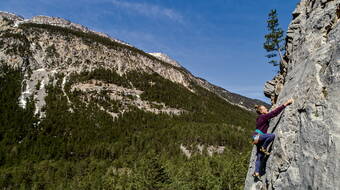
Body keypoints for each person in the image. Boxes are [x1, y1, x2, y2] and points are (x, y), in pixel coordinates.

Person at [252, 98, 294, 179]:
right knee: (272, 136)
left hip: (256, 137)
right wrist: (285, 104)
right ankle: (264, 147)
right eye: (265, 109)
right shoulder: (263, 116)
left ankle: (256, 172)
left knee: (259, 156)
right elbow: (274, 113)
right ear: (261, 111)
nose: (267, 109)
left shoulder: (260, 118)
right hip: (259, 136)